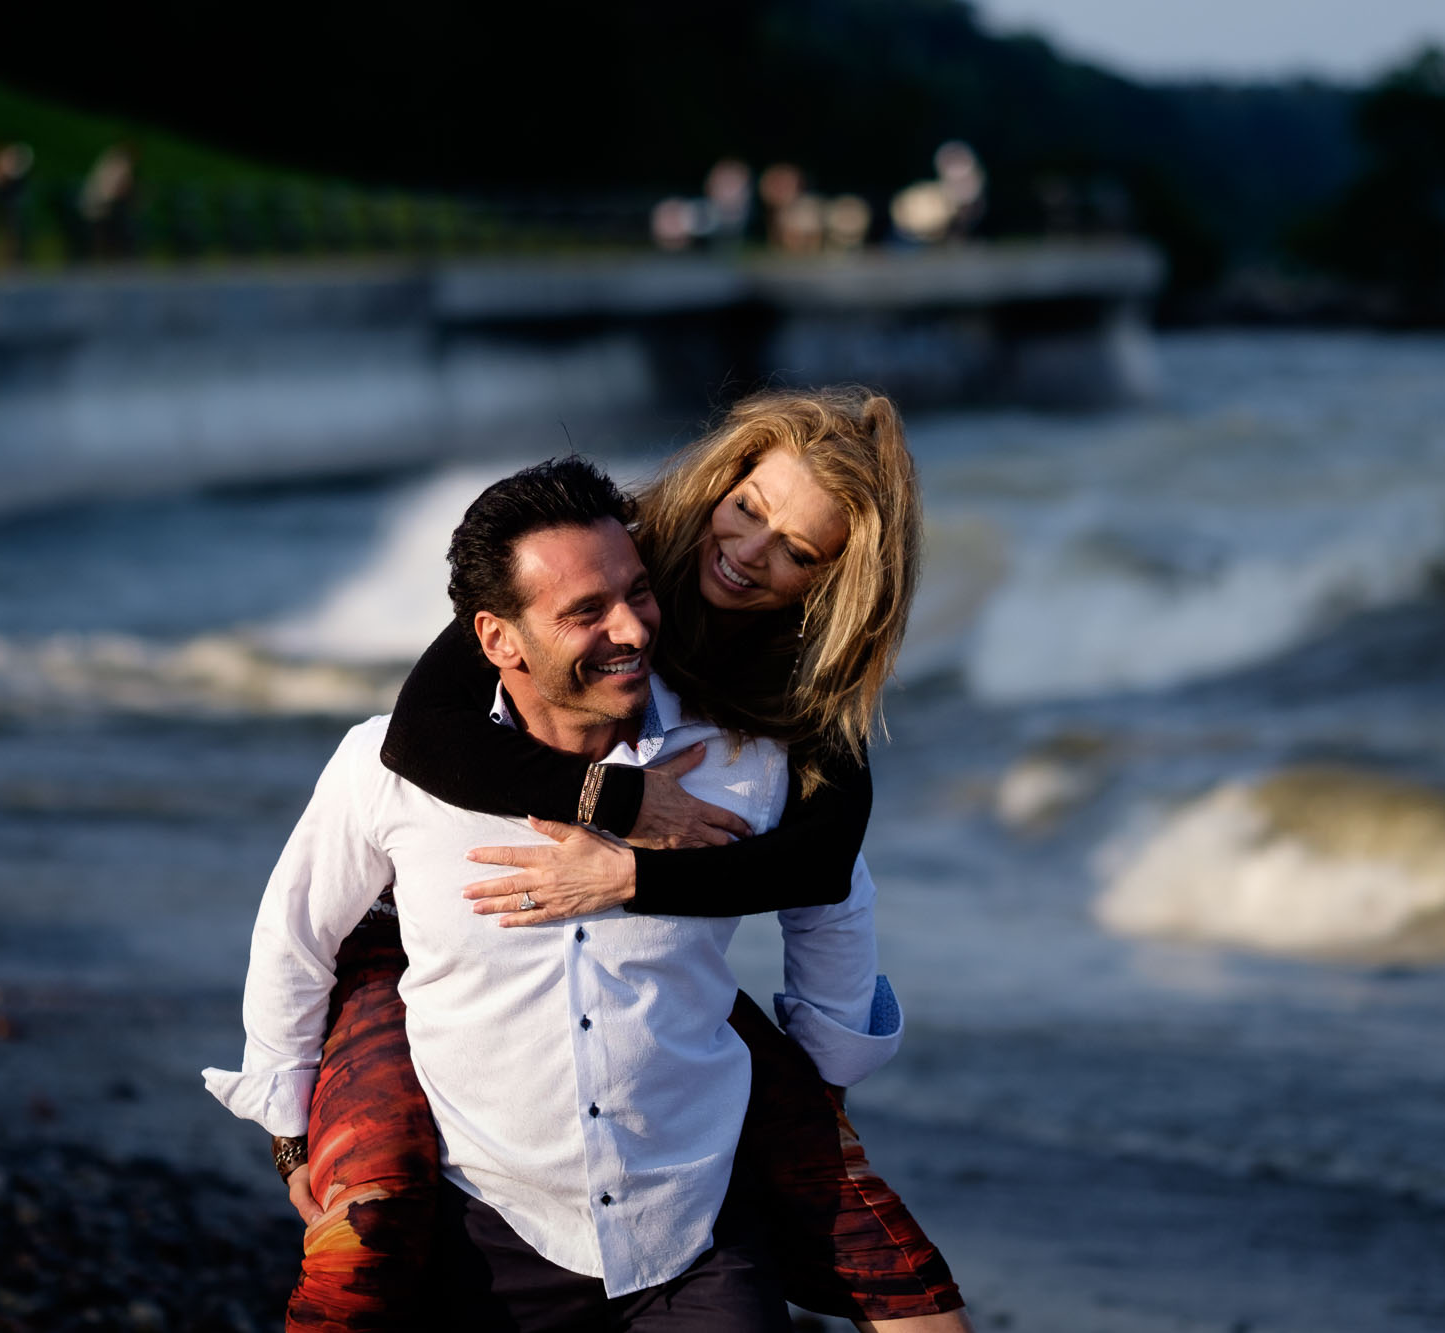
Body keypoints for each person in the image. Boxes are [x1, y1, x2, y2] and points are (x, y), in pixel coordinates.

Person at [275, 387, 970, 1332]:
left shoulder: (788, 704)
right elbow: (422, 737)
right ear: (719, 484)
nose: (750, 553)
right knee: (365, 1250)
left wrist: (634, 882)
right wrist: (625, 801)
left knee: (907, 1288)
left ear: (834, 582)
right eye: (749, 510)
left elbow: (822, 873)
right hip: (421, 953)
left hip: (676, 1136)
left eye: (798, 552)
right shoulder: (597, 552)